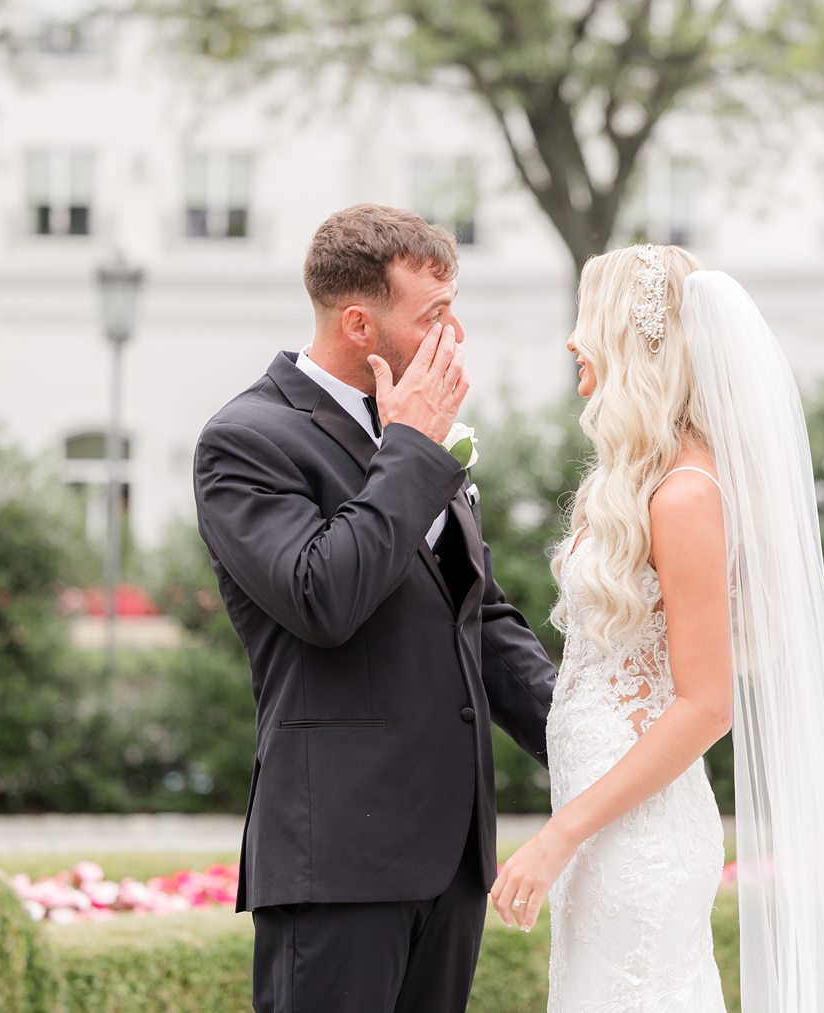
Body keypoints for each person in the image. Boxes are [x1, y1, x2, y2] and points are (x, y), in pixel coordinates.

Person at [488, 244, 824, 1012]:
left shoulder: (684, 494)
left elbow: (706, 705)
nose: (573, 340)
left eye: (589, 321)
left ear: (637, 341)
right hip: (601, 821)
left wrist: (557, 837)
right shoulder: (635, 482)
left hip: (635, 834)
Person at [193, 203, 557, 1013]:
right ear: (360, 322)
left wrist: (586, 742)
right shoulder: (248, 439)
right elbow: (324, 596)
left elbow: (480, 617)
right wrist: (413, 453)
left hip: (453, 857)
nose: (453, 334)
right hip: (339, 863)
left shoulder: (418, 438)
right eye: (433, 314)